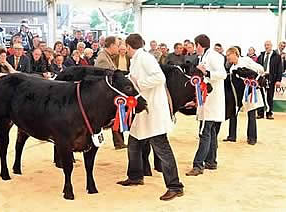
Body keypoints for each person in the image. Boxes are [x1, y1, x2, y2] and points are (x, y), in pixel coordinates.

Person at [117, 33, 184, 201]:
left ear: (129, 46)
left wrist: (138, 83)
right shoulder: (136, 59)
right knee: (133, 142)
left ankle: (175, 186)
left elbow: (159, 78)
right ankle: (135, 176)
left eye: (125, 46)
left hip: (153, 110)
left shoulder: (145, 58)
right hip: (142, 110)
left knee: (161, 147)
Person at [186, 34, 227, 176]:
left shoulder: (213, 56)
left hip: (211, 101)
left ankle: (198, 165)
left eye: (194, 45)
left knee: (204, 132)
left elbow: (222, 74)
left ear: (198, 45)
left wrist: (207, 72)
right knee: (210, 131)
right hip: (208, 100)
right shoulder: (205, 56)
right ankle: (211, 161)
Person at [223, 47, 264, 145]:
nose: (227, 57)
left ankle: (252, 138)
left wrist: (254, 79)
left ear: (234, 53)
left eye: (229, 55)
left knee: (251, 114)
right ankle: (232, 135)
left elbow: (261, 69)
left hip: (250, 91)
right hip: (238, 94)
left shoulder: (245, 60)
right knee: (233, 113)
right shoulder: (232, 68)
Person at [95, 36, 127, 150]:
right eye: (117, 45)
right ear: (112, 45)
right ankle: (118, 142)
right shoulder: (103, 58)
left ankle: (119, 142)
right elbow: (108, 78)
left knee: (117, 116)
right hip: (104, 96)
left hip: (108, 95)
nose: (118, 48)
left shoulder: (107, 56)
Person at [257, 40, 283, 120]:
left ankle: (269, 113)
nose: (266, 46)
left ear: (271, 46)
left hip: (271, 78)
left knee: (269, 96)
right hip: (261, 78)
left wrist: (278, 80)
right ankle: (260, 113)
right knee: (260, 96)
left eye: (268, 45)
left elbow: (280, 69)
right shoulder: (261, 56)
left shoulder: (277, 56)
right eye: (265, 45)